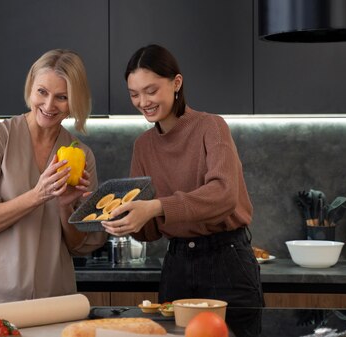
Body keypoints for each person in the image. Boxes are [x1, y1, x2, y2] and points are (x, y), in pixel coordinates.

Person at [102, 44, 263, 337]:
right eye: (134, 94)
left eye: (151, 90)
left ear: (176, 83)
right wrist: (125, 220)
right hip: (176, 263)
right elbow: (149, 232)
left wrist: (155, 207)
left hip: (227, 260)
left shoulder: (211, 127)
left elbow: (224, 194)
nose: (143, 102)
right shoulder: (143, 146)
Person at [0, 49, 106, 306]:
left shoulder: (81, 154)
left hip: (52, 297)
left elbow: (79, 246)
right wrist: (37, 195)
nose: (49, 105)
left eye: (62, 97)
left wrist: (65, 208)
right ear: (31, 87)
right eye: (42, 92)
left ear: (75, 100)